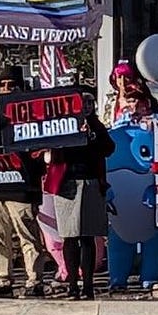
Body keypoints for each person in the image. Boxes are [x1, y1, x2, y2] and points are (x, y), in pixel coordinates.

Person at [0, 72, 48, 299]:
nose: (7, 89)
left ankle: (34, 279)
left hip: (21, 186)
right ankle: (3, 280)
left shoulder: (32, 113)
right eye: (3, 85)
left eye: (12, 85)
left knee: (27, 234)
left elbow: (39, 149)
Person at [40, 102, 116, 300]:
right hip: (66, 185)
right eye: (83, 102)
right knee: (69, 236)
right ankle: (73, 284)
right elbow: (46, 147)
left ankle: (88, 285)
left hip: (91, 182)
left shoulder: (97, 126)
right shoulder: (62, 125)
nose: (87, 106)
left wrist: (92, 135)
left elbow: (109, 148)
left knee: (88, 236)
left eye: (91, 102)